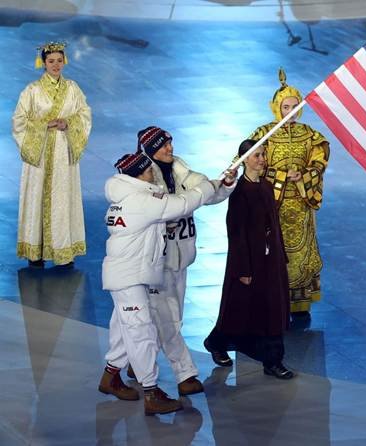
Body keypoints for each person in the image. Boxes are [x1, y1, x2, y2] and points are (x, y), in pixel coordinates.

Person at [98, 152, 217, 415]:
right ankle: (151, 394)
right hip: (129, 278)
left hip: (128, 276)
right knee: (141, 333)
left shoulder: (125, 198)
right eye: (148, 170)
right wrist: (209, 186)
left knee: (123, 328)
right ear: (140, 174)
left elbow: (151, 222)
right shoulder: (140, 200)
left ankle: (110, 377)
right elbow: (183, 203)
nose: (153, 172)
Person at [123, 126, 236, 396]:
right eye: (164, 145)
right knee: (168, 318)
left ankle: (136, 362)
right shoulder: (142, 181)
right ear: (151, 150)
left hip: (180, 258)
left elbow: (207, 194)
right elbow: (151, 212)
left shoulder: (181, 170)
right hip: (154, 262)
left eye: (170, 143)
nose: (170, 148)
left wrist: (225, 184)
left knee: (167, 316)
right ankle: (185, 374)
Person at [204, 139, 295, 379]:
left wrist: (280, 255)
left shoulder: (266, 186)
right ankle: (217, 342)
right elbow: (236, 231)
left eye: (263, 154)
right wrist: (243, 268)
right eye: (257, 156)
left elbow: (273, 224)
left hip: (270, 260)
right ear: (244, 160)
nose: (262, 159)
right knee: (240, 309)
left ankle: (273, 360)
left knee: (271, 309)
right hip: (250, 261)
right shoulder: (240, 191)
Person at [248, 68, 329, 319]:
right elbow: (250, 161)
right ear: (277, 108)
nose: (291, 112)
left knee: (301, 253)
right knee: (274, 250)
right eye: (286, 107)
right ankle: (273, 298)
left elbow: (320, 159)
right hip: (274, 206)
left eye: (295, 107)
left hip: (301, 205)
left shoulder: (309, 135)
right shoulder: (264, 134)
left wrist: (305, 174)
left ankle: (300, 303)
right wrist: (282, 176)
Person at [12, 41, 92, 268]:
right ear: (43, 63)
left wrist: (68, 123)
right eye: (51, 61)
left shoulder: (73, 89)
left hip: (63, 153)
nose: (56, 65)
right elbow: (19, 121)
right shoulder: (32, 91)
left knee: (62, 198)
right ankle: (35, 250)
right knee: (37, 196)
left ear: (64, 61)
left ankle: (62, 249)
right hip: (40, 153)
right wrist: (44, 125)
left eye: (59, 61)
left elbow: (84, 114)